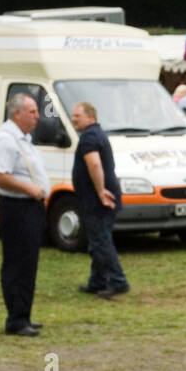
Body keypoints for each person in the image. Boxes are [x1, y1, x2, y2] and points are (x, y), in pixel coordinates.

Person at [0, 92, 50, 335]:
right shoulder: (6, 140)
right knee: (17, 262)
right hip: (17, 207)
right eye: (32, 111)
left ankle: (23, 314)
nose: (37, 116)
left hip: (30, 206)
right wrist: (29, 188)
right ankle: (16, 320)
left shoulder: (23, 138)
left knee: (28, 262)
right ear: (17, 113)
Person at [70, 101, 129, 297]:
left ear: (90, 117)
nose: (73, 119)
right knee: (97, 239)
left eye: (77, 116)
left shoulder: (89, 137)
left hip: (99, 199)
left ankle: (117, 280)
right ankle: (97, 280)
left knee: (101, 241)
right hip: (99, 197)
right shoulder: (96, 134)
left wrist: (101, 191)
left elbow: (94, 165)